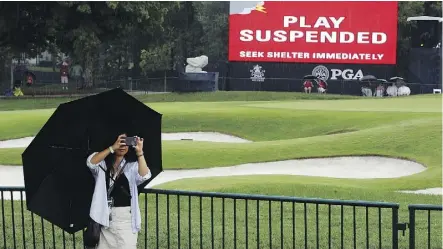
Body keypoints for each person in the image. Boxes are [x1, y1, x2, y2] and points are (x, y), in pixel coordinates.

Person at [86, 134, 151, 249]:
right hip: (104, 219)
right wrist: (112, 148)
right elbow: (91, 162)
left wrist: (140, 153)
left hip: (125, 219)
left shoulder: (132, 166)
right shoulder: (102, 165)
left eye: (126, 142)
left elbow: (144, 176)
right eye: (120, 142)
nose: (122, 145)